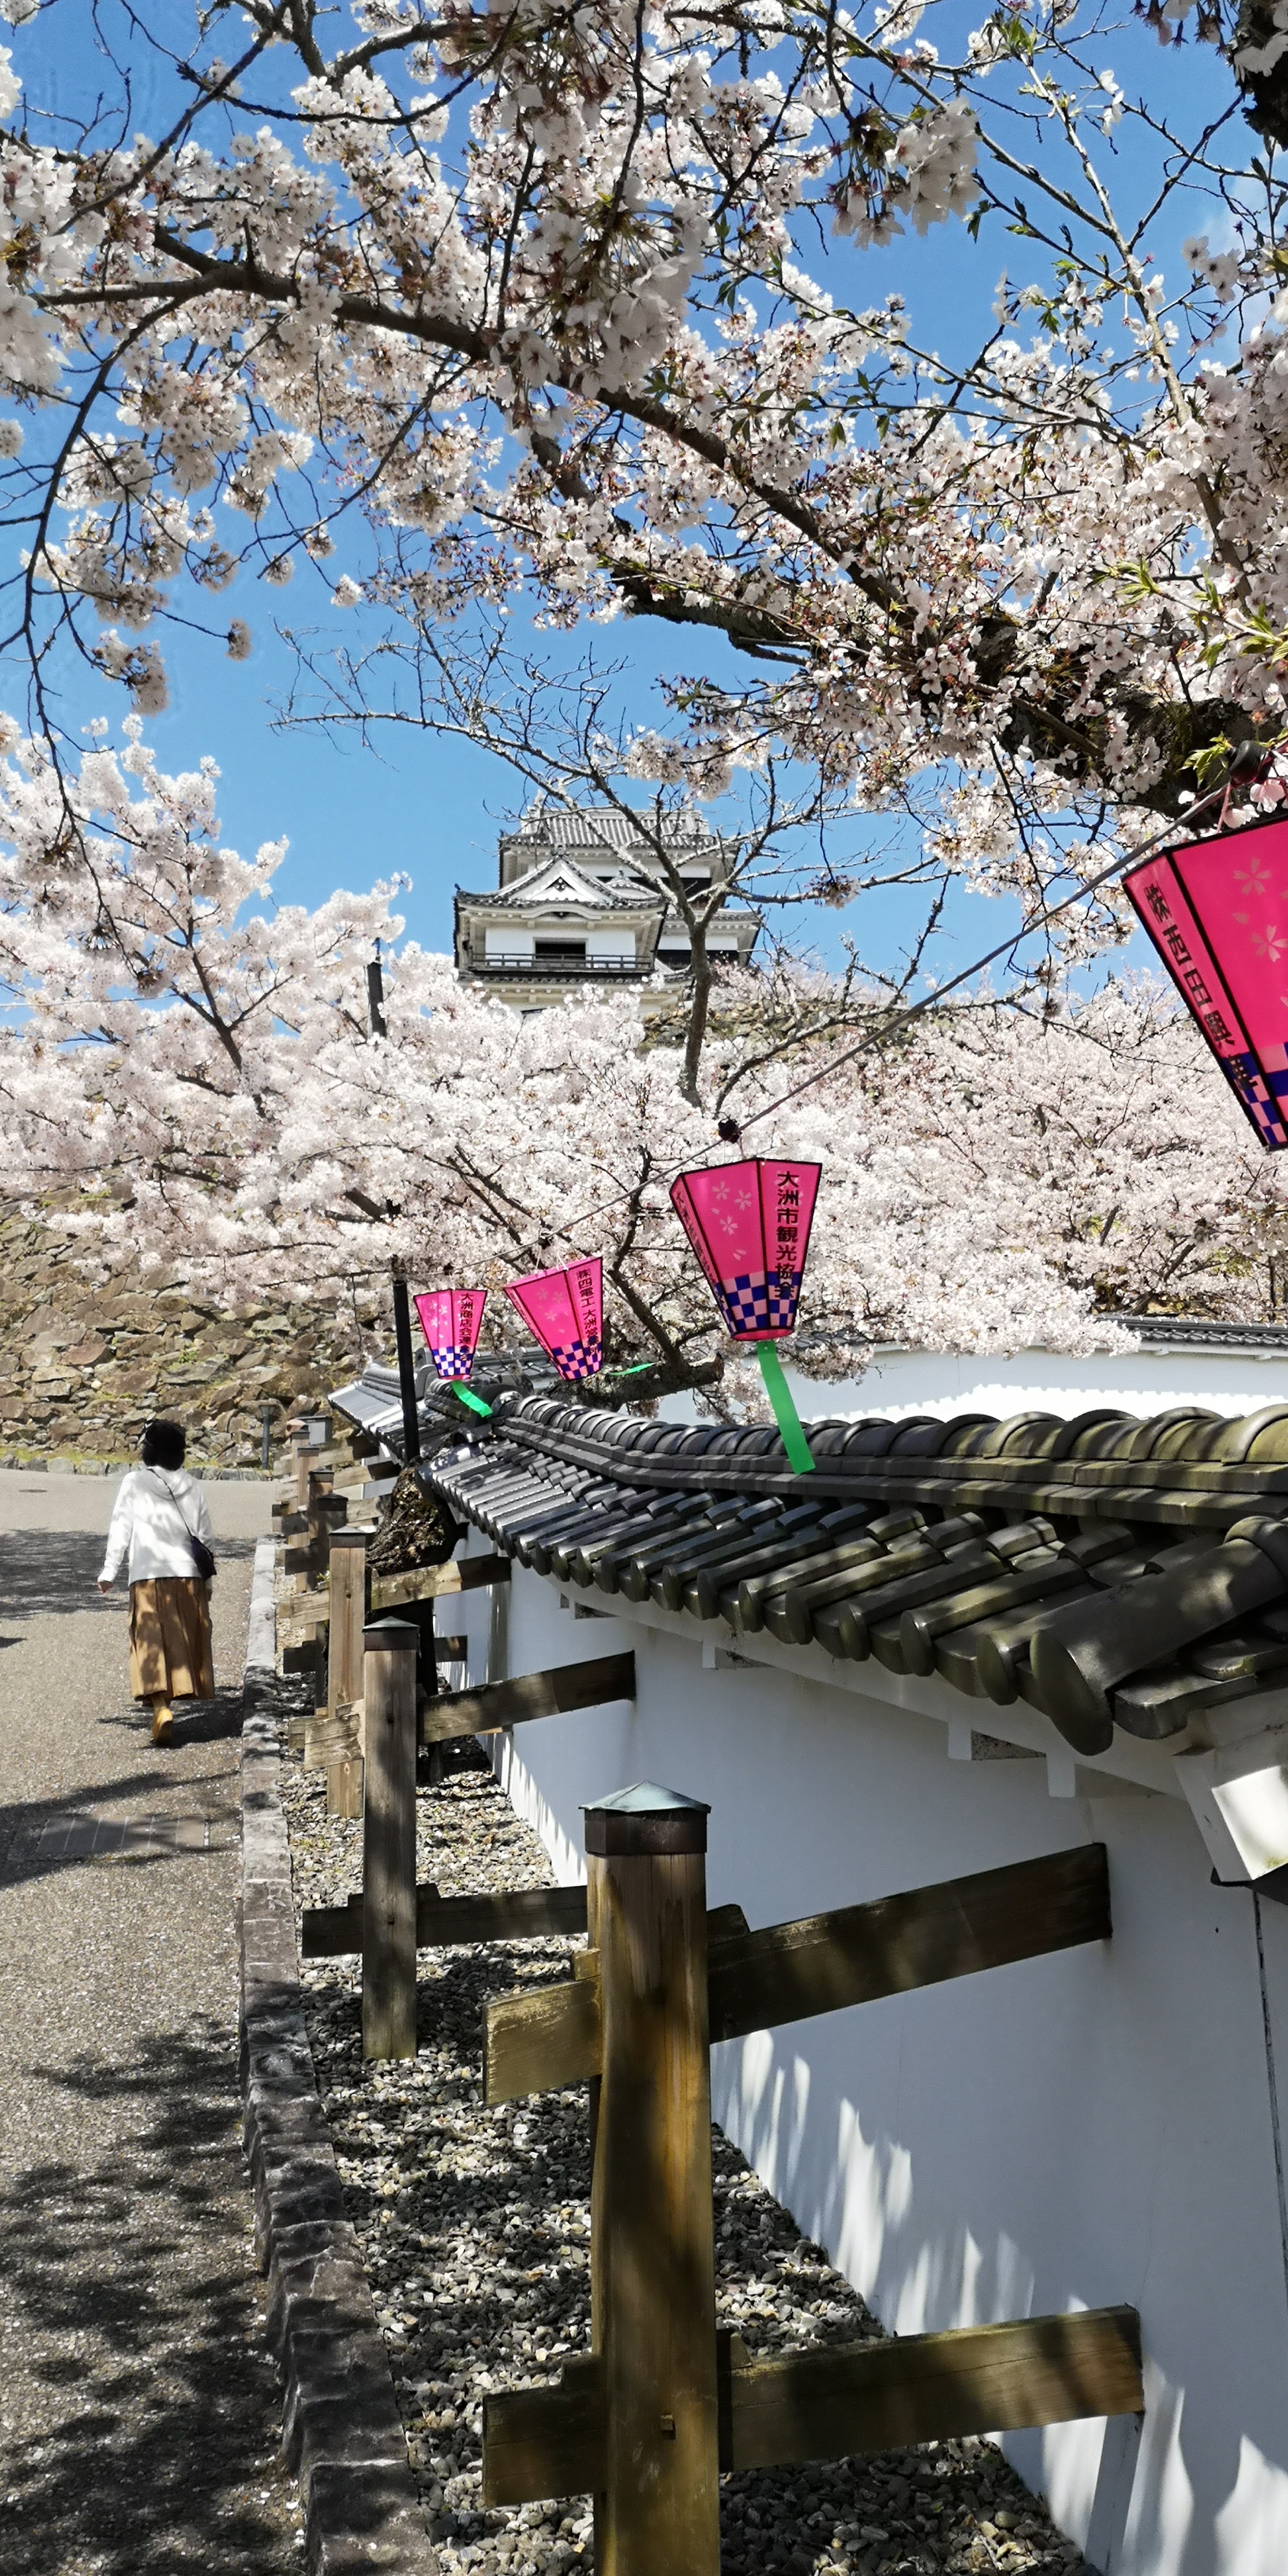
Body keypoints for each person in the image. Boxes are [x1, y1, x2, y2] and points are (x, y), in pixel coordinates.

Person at [97, 1420, 216, 1744]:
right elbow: (204, 1537)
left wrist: (110, 1571)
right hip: (188, 1576)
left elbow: (120, 1527)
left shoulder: (135, 1482)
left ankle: (161, 1707)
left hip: (148, 1575)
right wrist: (206, 1581)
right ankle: (168, 1702)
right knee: (181, 1644)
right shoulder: (193, 1485)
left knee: (149, 1643)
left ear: (149, 1450)